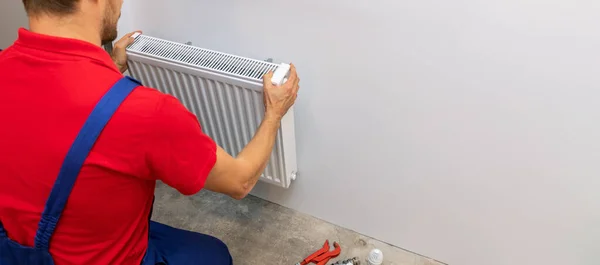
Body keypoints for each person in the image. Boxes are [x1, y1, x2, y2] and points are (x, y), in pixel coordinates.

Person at [0, 0, 300, 264]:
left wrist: (110, 69)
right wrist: (273, 113)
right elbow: (239, 181)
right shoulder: (145, 112)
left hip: (20, 248)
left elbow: (54, 115)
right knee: (215, 254)